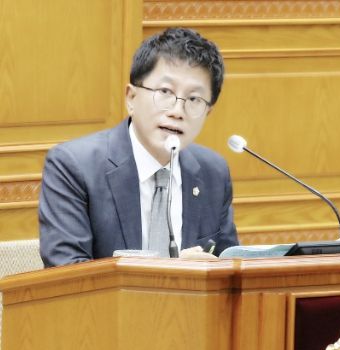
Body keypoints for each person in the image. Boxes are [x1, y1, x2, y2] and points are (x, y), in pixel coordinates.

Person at [39, 27, 238, 267]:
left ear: (208, 112)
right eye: (165, 92)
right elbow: (68, 272)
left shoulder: (213, 173)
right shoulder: (74, 166)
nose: (177, 111)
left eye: (194, 99)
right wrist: (176, 274)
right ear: (131, 98)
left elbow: (230, 268)